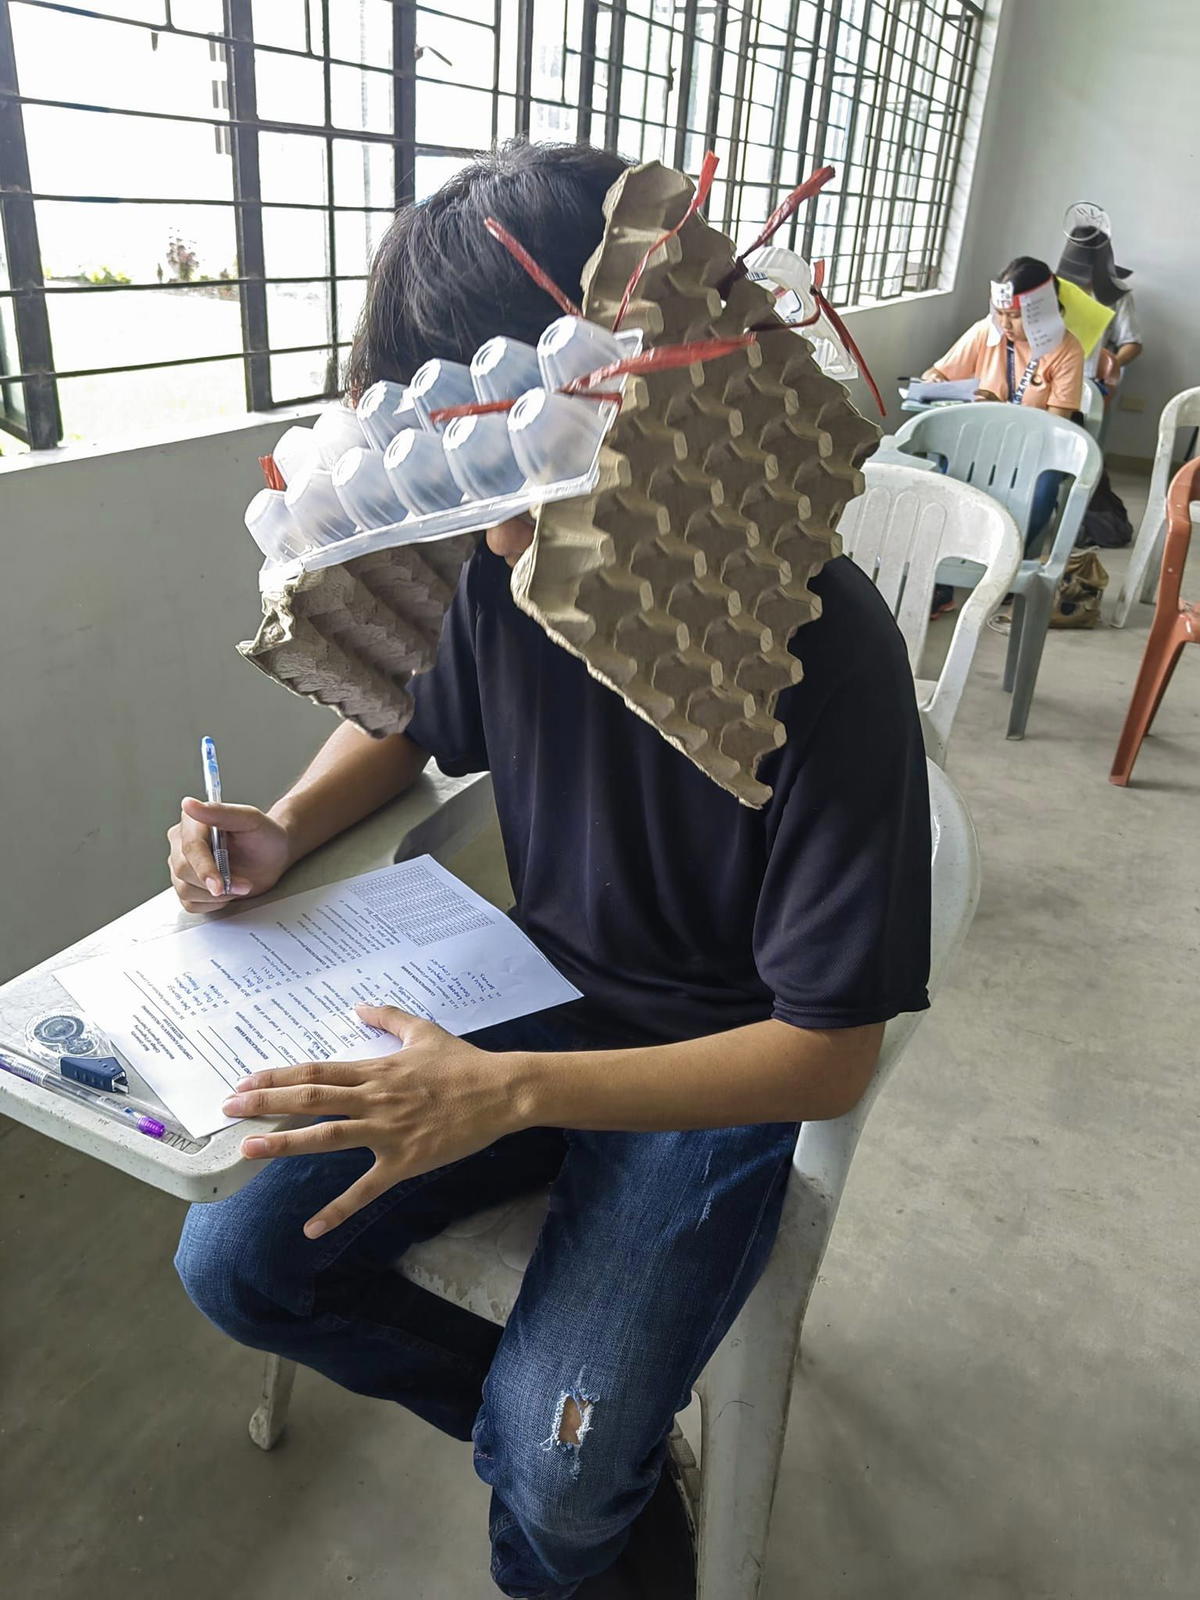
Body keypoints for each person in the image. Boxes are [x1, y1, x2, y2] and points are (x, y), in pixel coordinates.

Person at [168, 141, 931, 1600]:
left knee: (562, 1458)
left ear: (640, 380)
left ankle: (582, 1491)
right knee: (241, 1269)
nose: (500, 523)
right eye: (463, 457)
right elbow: (413, 735)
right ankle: (589, 1470)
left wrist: (507, 1092)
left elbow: (826, 1056)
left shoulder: (822, 646)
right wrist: (279, 822)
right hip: (532, 991)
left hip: (722, 1057)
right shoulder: (518, 581)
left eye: (516, 455)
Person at [924, 257, 1085, 555]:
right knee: (946, 473)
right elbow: (939, 373)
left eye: (1014, 316)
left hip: (1036, 453)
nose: (1004, 324)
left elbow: (1056, 425)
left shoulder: (1066, 349)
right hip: (977, 441)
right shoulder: (986, 332)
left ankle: (1008, 562)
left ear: (1041, 312)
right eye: (999, 313)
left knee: (1043, 489)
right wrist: (934, 381)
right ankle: (947, 563)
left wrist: (1003, 411)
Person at [1057, 218, 1142, 391]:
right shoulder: (1051, 287)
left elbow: (1132, 343)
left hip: (1090, 381)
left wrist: (1111, 367)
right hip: (1047, 374)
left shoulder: (1116, 295)